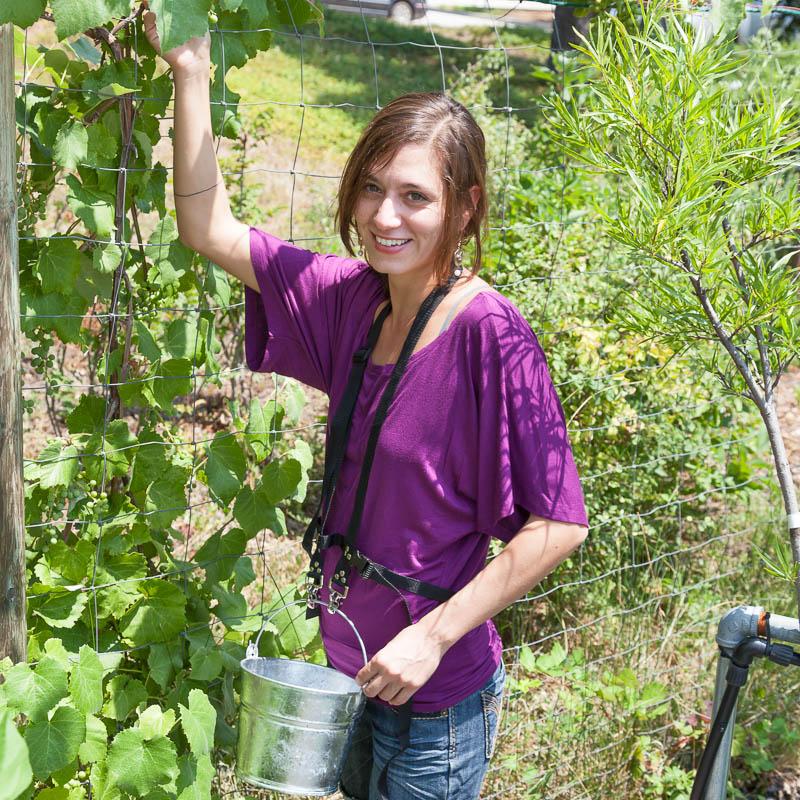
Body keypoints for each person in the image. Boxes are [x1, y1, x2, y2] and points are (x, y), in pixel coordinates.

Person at [144, 13, 589, 800]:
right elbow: (204, 227)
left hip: (436, 701)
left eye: (415, 196)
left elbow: (559, 523)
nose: (385, 217)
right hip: (348, 675)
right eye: (373, 189)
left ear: (465, 206)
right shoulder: (355, 301)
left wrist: (431, 636)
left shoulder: (492, 334)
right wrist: (190, 74)